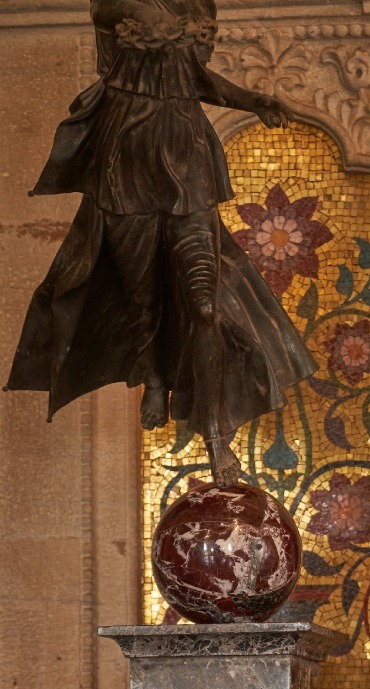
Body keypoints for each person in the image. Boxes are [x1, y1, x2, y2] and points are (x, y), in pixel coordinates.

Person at [6, 0, 313, 485]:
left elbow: (194, 76)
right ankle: (152, 374)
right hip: (125, 169)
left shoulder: (195, 2)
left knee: (205, 306)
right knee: (142, 296)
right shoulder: (114, 2)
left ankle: (215, 435)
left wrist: (253, 100)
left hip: (187, 166)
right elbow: (143, 34)